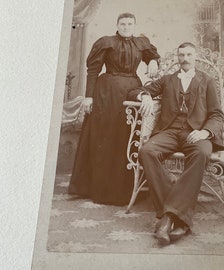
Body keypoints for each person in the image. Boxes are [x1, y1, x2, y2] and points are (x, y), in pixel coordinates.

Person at [128, 42, 224, 245]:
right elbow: (137, 90)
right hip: (170, 131)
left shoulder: (206, 80)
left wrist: (205, 132)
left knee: (201, 154)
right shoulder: (167, 80)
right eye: (181, 55)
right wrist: (145, 96)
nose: (185, 58)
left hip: (196, 133)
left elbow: (216, 114)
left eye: (189, 54)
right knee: (147, 151)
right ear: (178, 58)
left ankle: (167, 219)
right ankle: (177, 215)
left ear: (195, 57)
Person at [68, 13, 160, 205]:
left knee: (126, 136)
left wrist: (152, 60)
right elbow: (93, 70)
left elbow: (152, 54)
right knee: (106, 136)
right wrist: (88, 96)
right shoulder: (106, 42)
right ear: (117, 25)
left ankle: (126, 187)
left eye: (129, 24)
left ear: (134, 25)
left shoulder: (141, 42)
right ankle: (99, 188)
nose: (126, 27)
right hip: (107, 94)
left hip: (132, 89)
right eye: (123, 24)